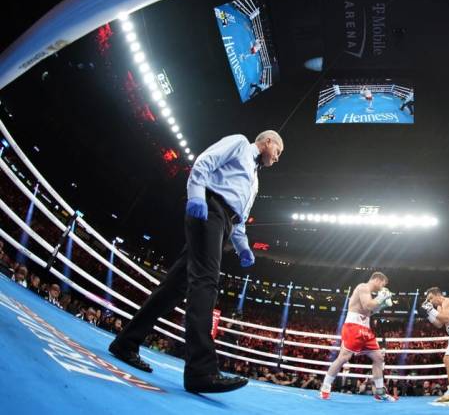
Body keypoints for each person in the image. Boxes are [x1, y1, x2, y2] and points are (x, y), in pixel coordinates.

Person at [109, 131, 283, 394]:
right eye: (279, 151)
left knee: (174, 288)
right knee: (205, 283)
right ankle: (201, 370)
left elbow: (239, 219)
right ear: (267, 142)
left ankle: (126, 342)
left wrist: (243, 247)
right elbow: (204, 161)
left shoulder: (255, 180)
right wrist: (196, 196)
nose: (278, 158)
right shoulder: (239, 144)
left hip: (223, 222)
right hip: (209, 209)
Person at [319, 272, 396, 402]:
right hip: (353, 326)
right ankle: (325, 387)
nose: (383, 287)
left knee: (378, 358)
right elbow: (367, 305)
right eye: (383, 284)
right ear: (377, 280)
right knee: (344, 357)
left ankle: (379, 392)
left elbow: (371, 311)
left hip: (366, 328)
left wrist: (382, 304)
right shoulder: (362, 287)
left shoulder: (371, 295)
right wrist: (381, 297)